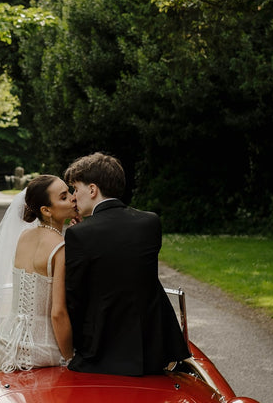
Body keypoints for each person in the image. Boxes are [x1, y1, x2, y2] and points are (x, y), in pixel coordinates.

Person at [63, 151, 189, 376]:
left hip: (100, 352)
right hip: (150, 348)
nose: (73, 197)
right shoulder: (150, 222)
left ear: (92, 190)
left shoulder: (79, 235)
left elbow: (75, 298)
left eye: (76, 189)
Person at [0, 175, 75, 372]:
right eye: (64, 196)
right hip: (43, 350)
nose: (73, 198)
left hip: (6, 343)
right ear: (46, 210)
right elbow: (58, 313)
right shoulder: (60, 247)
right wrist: (70, 358)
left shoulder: (24, 237)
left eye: (69, 192)